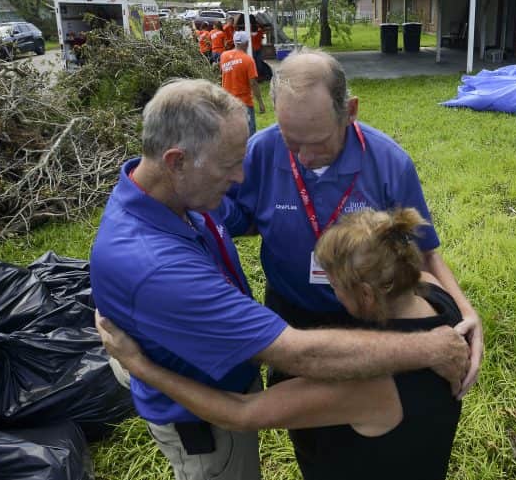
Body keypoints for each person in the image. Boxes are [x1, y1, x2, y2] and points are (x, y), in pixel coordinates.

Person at [90, 79, 469, 480]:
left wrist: (140, 366)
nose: (241, 179)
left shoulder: (184, 197)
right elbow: (296, 353)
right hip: (200, 414)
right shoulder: (158, 266)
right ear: (176, 161)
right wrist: (433, 342)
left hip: (228, 396)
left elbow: (247, 410)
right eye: (230, 164)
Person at [97, 206, 461, 480]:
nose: (331, 295)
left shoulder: (367, 383)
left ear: (366, 294)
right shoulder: (438, 298)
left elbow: (239, 413)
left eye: (333, 286)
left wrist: (141, 366)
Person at [229, 51, 484, 393]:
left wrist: (466, 312)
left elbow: (425, 253)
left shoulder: (389, 163)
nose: (304, 158)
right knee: (302, 423)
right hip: (292, 315)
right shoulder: (258, 153)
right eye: (291, 142)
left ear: (350, 112)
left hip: (370, 315)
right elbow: (229, 220)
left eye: (318, 143)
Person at [220, 31, 266, 136]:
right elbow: (253, 83)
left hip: (228, 101)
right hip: (244, 102)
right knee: (249, 133)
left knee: (233, 133)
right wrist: (260, 102)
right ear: (246, 43)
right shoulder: (248, 60)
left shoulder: (224, 56)